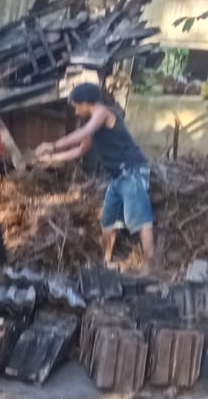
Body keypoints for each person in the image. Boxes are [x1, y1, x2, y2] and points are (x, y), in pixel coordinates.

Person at [34, 83, 154, 266]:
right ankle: (105, 262)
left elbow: (84, 132)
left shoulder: (102, 113)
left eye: (76, 107)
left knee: (140, 218)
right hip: (117, 177)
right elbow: (80, 150)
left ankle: (150, 264)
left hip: (132, 171)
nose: (75, 112)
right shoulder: (92, 122)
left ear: (85, 103)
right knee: (109, 222)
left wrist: (52, 146)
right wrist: (51, 159)